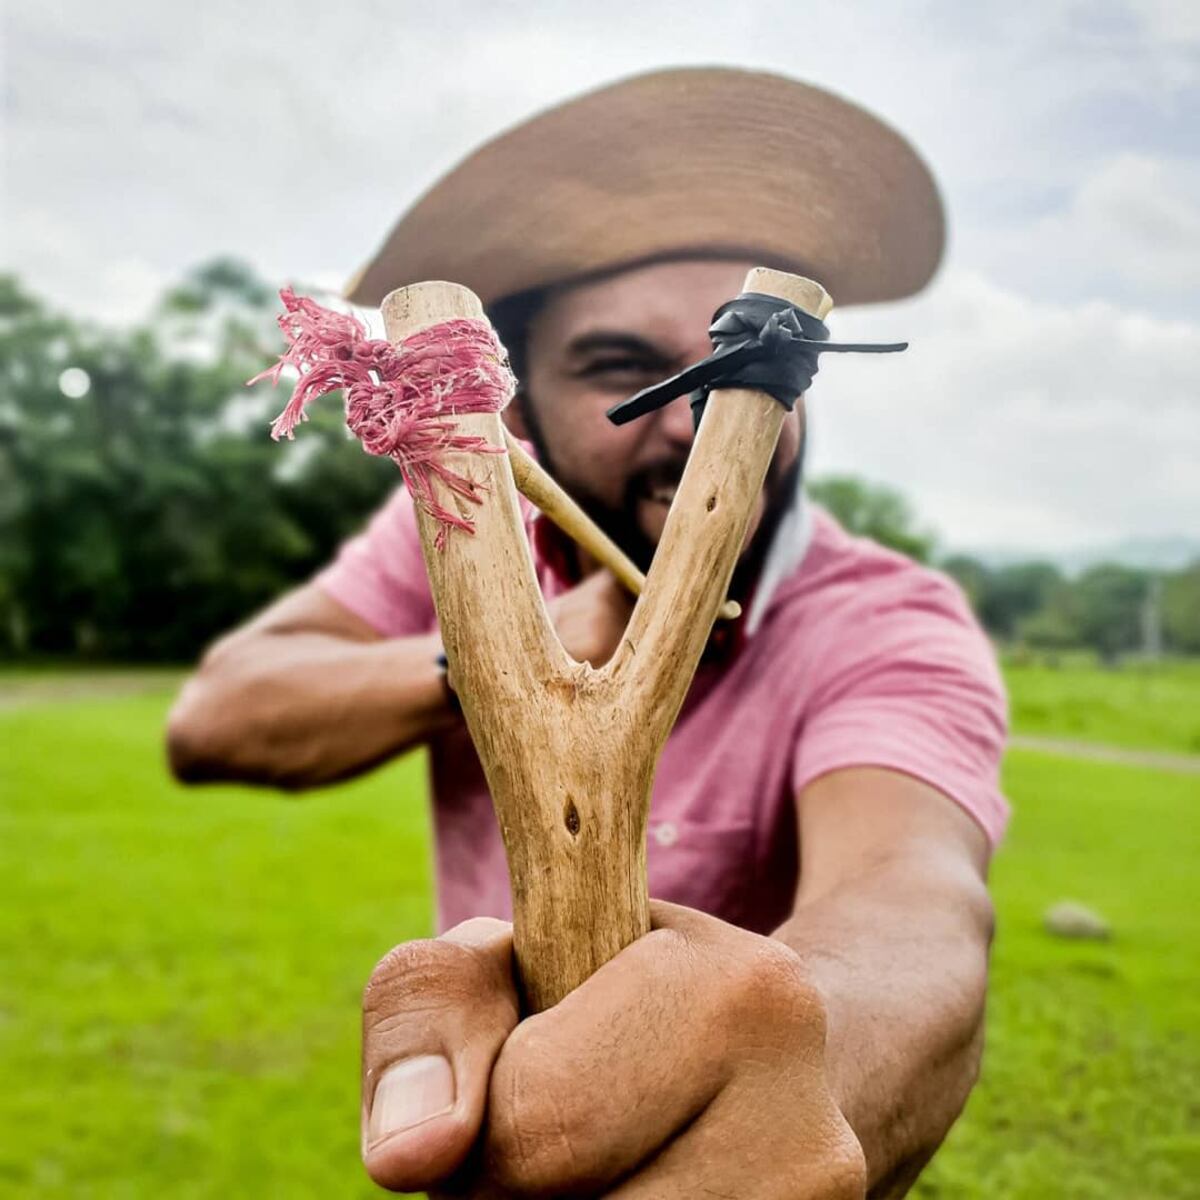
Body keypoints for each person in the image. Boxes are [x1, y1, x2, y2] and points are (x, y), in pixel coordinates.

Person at [168, 68, 1007, 1198]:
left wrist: (808, 1059)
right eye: (619, 368)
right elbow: (217, 718)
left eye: (735, 370)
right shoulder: (466, 526)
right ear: (516, 418)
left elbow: (916, 913)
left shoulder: (884, 619)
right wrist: (490, 657)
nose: (685, 424)